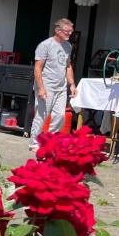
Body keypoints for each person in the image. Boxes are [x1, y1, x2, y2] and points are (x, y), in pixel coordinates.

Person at [29, 18, 77, 148]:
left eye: (71, 31)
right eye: (67, 31)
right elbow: (38, 67)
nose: (70, 34)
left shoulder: (68, 46)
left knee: (60, 116)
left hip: (61, 87)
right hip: (47, 85)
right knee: (41, 115)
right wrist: (41, 88)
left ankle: (50, 141)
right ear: (57, 30)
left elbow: (67, 66)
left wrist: (72, 84)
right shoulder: (45, 45)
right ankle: (34, 143)